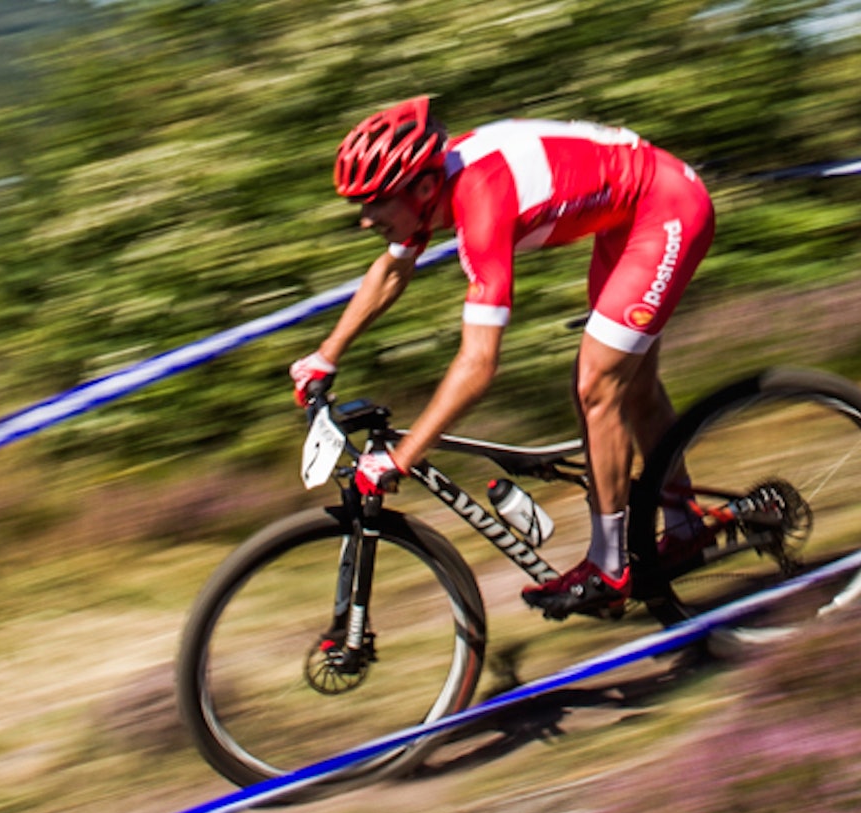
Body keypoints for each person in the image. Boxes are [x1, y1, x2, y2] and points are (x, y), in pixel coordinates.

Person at [290, 96, 715, 620]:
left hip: (666, 208)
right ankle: (684, 526)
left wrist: (401, 458)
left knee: (597, 388)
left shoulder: (480, 201)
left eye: (375, 202)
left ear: (423, 188)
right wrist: (324, 356)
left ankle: (609, 567)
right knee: (634, 390)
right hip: (627, 216)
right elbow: (392, 270)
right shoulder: (429, 187)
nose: (365, 219)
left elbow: (479, 365)